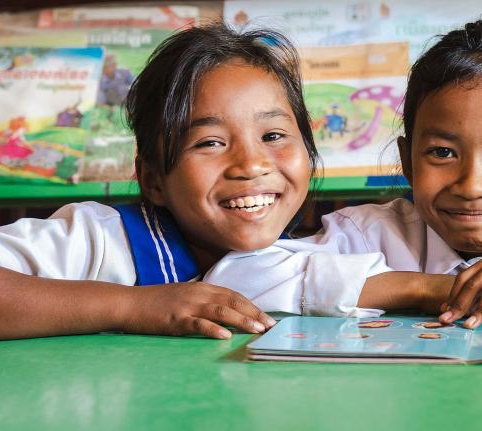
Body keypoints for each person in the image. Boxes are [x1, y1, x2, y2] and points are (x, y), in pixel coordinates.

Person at [0, 23, 315, 341]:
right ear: (153, 179)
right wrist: (130, 306)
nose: (251, 164)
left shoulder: (302, 248)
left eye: (273, 136)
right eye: (210, 142)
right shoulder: (99, 241)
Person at [206, 20, 482, 328]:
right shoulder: (371, 235)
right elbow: (233, 279)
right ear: (408, 161)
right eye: (442, 152)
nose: (470, 186)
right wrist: (424, 288)